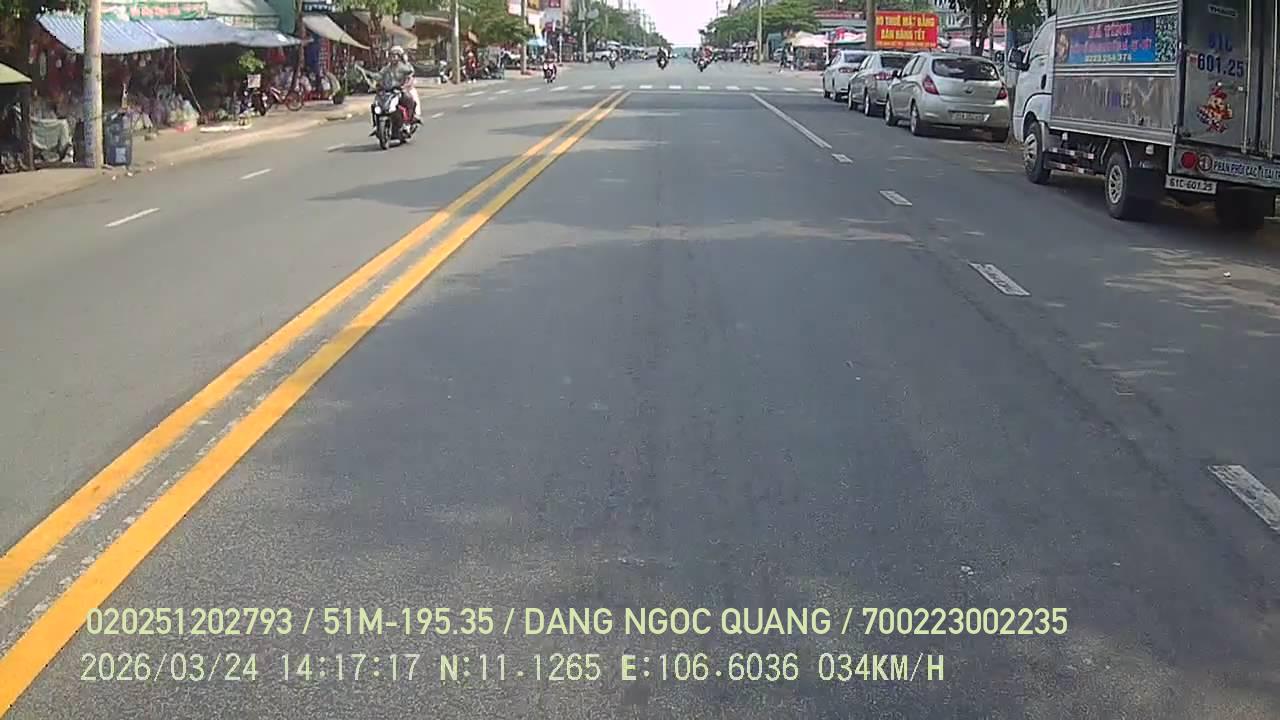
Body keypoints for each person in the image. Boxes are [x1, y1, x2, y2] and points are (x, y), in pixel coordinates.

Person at [379, 46, 420, 123]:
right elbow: (380, 76)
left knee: (411, 98)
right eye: (391, 56)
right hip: (391, 90)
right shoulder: (387, 67)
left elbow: (410, 76)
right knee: (377, 103)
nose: (393, 58)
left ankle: (411, 118)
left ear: (400, 57)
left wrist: (406, 85)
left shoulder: (406, 66)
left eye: (395, 56)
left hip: (405, 89)